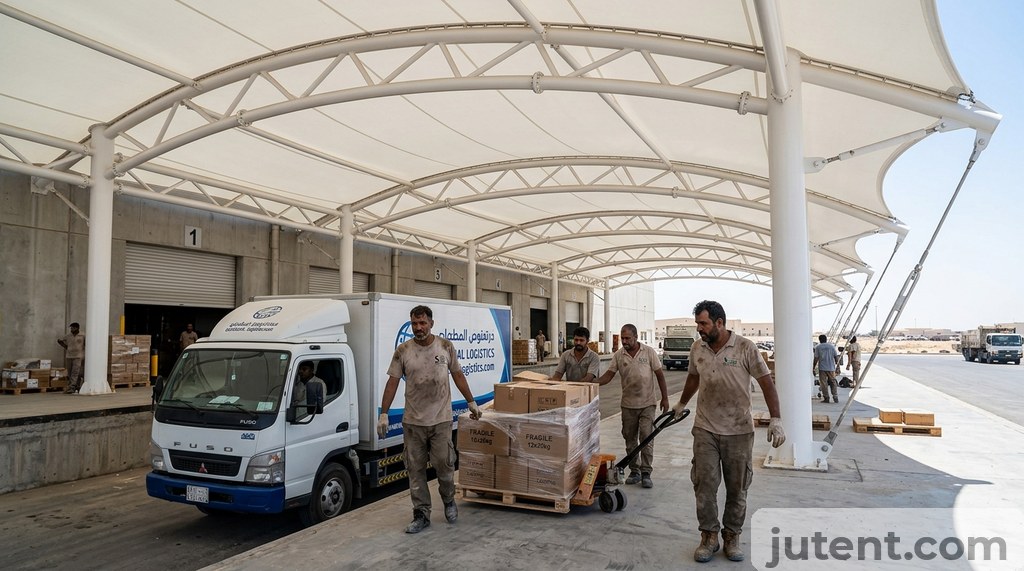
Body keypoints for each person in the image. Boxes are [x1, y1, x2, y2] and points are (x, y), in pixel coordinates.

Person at [671, 300, 785, 563]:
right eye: (697, 323)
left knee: (737, 488)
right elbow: (693, 377)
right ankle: (709, 536)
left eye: (703, 323)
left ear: (719, 323)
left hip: (739, 430)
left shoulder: (745, 347)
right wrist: (681, 403)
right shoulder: (697, 348)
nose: (699, 328)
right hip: (705, 428)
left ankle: (732, 536)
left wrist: (776, 418)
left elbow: (766, 383)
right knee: (704, 485)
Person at [377, 305, 481, 534]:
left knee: (444, 465)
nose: (418, 328)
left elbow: (458, 375)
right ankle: (421, 513)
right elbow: (392, 382)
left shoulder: (445, 346)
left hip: (441, 420)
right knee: (415, 471)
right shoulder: (403, 351)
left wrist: (471, 401)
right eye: (414, 323)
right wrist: (383, 413)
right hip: (413, 422)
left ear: (431, 323)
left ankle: (449, 500)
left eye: (423, 323)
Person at [595, 323, 668, 489]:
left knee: (646, 436)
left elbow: (660, 375)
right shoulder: (619, 355)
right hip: (628, 405)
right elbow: (608, 376)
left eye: (628, 338)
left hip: (648, 403)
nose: (624, 341)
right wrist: (593, 383)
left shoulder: (648, 352)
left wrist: (665, 398)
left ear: (636, 337)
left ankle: (646, 472)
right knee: (629, 438)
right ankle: (635, 471)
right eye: (623, 338)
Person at [57, 322, 85, 394]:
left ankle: (71, 387)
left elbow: (86, 345)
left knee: (75, 372)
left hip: (78, 356)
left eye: (73, 328)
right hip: (69, 356)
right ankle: (76, 386)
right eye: (71, 328)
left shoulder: (83, 335)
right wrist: (63, 344)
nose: (71, 329)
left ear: (77, 328)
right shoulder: (68, 336)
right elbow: (63, 343)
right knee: (70, 372)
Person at [812, 334, 840, 403]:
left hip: (822, 368)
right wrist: (838, 367)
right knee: (833, 382)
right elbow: (836, 357)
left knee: (823, 383)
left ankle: (826, 397)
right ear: (826, 339)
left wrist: (813, 367)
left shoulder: (818, 347)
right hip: (831, 368)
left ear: (819, 340)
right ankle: (835, 396)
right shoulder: (831, 346)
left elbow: (816, 358)